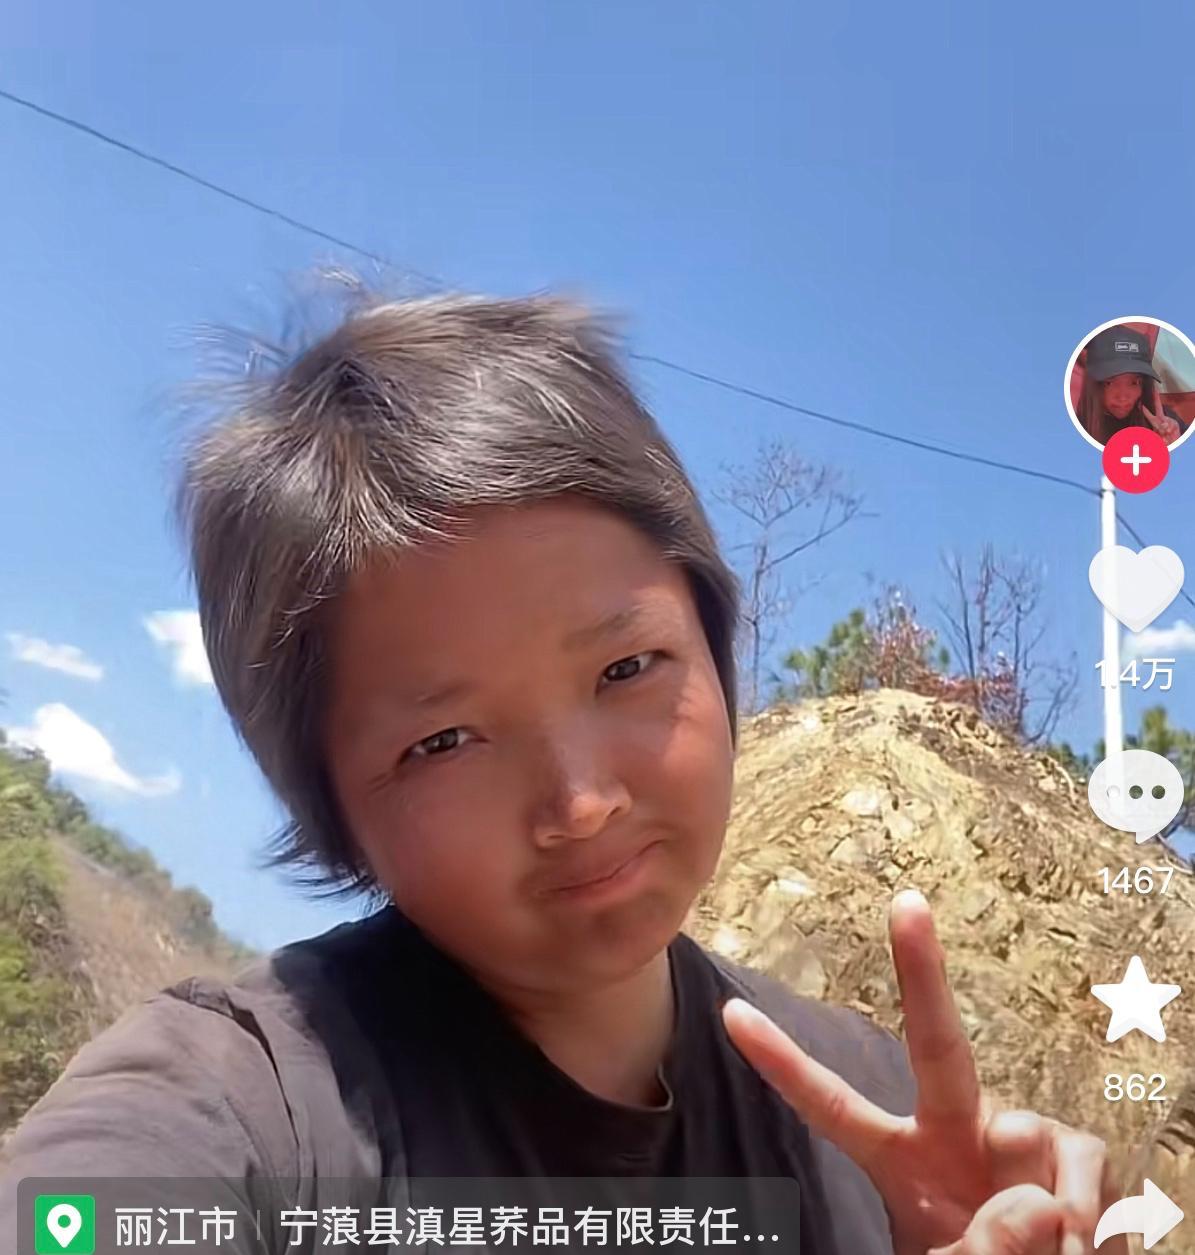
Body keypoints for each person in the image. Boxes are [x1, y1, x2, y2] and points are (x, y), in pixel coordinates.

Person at [0, 283, 1125, 1255]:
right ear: (330, 800)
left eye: (626, 668)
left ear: (713, 645)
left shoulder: (874, 1121)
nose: (581, 804)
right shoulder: (252, 1105)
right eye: (443, 740)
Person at [1076, 323, 1188, 445]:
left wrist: (1175, 444)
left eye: (1134, 383)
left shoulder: (1165, 422)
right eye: (1109, 383)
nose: (1123, 397)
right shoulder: (1074, 429)